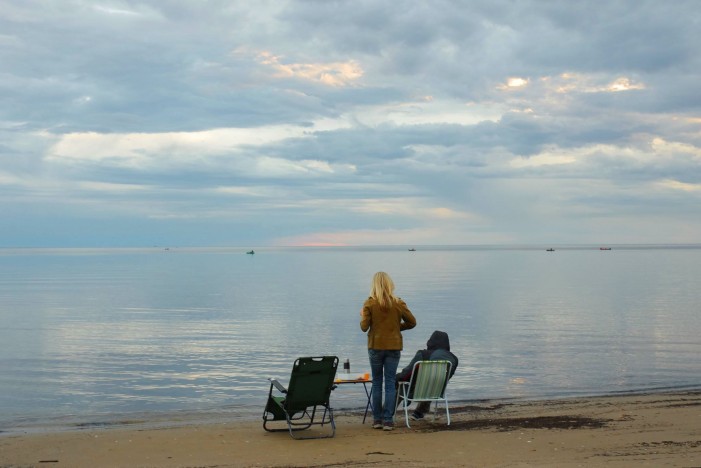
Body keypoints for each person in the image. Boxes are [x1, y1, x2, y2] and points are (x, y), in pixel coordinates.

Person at [360, 271, 417, 431]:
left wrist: (362, 315)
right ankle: (388, 421)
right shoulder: (398, 303)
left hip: (375, 347)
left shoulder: (369, 304)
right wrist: (396, 328)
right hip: (393, 347)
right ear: (390, 284)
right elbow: (412, 322)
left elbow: (364, 327)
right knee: (390, 383)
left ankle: (377, 420)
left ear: (374, 285)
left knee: (377, 383)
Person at [396, 330, 458, 421]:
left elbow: (406, 373)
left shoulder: (423, 354)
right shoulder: (453, 359)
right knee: (433, 383)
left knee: (399, 384)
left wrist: (396, 378)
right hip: (436, 392)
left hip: (417, 392)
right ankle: (419, 412)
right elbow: (446, 378)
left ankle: (387, 413)